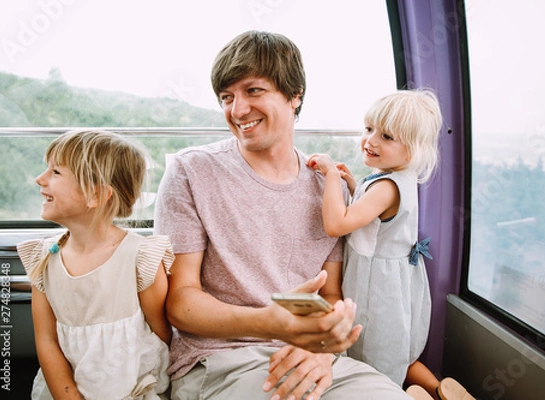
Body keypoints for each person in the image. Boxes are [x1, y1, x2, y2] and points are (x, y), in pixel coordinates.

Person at [154, 30, 412, 400]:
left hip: (315, 358)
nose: (237, 110)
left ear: (295, 96)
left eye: (253, 91)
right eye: (227, 97)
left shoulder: (329, 189)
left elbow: (332, 292)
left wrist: (321, 349)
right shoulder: (191, 172)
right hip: (220, 359)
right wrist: (266, 322)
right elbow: (181, 301)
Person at [308, 91, 474, 400]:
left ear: (410, 152)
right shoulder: (396, 178)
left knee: (373, 356)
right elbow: (378, 219)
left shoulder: (385, 186)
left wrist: (331, 175)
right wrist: (355, 187)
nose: (371, 140)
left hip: (376, 289)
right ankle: (440, 391)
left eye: (386, 136)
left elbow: (337, 224)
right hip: (395, 282)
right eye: (369, 128)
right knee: (398, 352)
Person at [17, 130, 174, 399]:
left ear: (96, 195)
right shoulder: (44, 258)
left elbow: (161, 336)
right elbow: (47, 341)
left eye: (55, 172)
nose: (39, 179)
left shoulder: (140, 257)